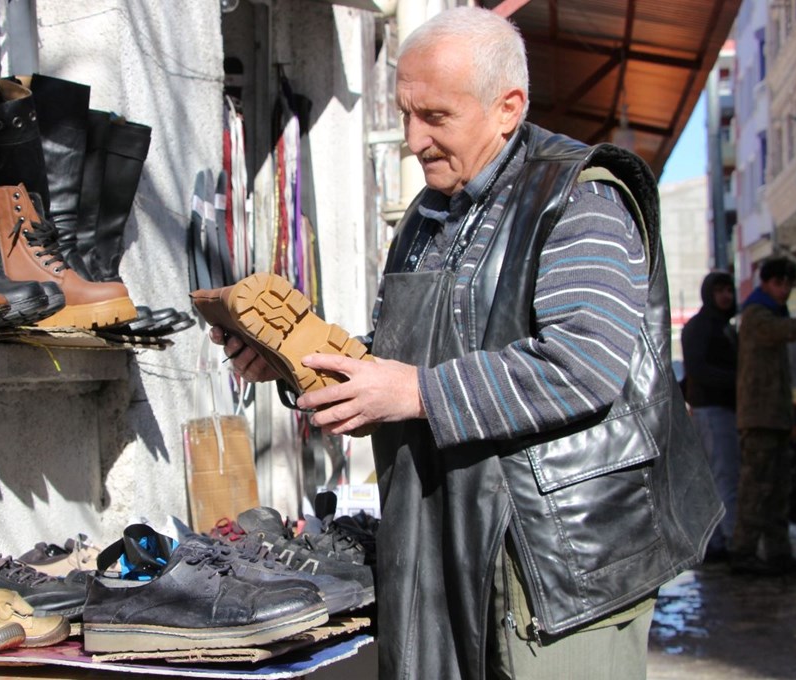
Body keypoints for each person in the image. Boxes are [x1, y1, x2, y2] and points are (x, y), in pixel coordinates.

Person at [209, 7, 719, 679]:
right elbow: (417, 354)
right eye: (406, 114)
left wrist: (415, 392)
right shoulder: (426, 216)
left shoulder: (579, 198)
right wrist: (294, 362)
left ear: (507, 108)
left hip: (551, 567)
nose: (414, 140)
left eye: (437, 118)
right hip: (437, 540)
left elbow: (584, 364)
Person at [730, 257, 796, 576]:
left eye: (789, 284)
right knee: (757, 487)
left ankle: (778, 553)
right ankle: (743, 552)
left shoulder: (770, 311)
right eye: (780, 283)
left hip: (774, 417)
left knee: (778, 489)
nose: (785, 290)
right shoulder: (757, 315)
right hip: (760, 418)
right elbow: (789, 331)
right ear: (767, 283)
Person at [682, 271, 739, 560]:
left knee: (718, 478)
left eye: (729, 289)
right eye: (719, 290)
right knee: (723, 477)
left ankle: (718, 541)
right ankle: (726, 542)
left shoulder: (723, 326)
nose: (726, 295)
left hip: (716, 410)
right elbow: (699, 369)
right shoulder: (702, 327)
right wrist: (738, 379)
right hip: (711, 411)